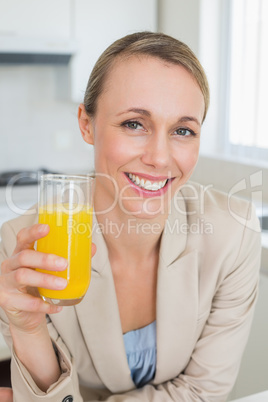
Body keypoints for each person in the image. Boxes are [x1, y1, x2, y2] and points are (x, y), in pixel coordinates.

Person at [0, 31, 261, 401]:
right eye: (134, 124)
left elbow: (203, 392)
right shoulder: (24, 246)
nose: (159, 156)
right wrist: (27, 329)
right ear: (86, 124)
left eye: (183, 130)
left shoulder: (233, 233)